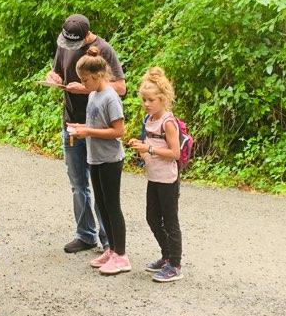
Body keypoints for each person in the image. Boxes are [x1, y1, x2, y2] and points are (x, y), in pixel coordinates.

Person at [45, 14, 126, 254]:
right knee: (78, 183)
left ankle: (108, 239)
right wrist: (54, 78)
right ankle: (85, 234)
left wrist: (85, 88)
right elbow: (57, 71)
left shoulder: (103, 49)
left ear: (86, 36)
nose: (69, 46)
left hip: (97, 127)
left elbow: (121, 87)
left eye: (75, 43)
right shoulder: (64, 45)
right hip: (71, 123)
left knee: (100, 186)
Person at [66, 51, 129, 276]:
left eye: (85, 80)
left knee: (112, 206)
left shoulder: (111, 97)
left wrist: (88, 131)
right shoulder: (93, 95)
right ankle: (111, 249)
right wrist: (80, 127)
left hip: (111, 159)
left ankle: (121, 255)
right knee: (101, 205)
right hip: (95, 157)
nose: (83, 84)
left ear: (99, 74)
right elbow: (95, 122)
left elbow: (118, 131)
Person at [127, 67, 183, 283]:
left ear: (163, 99)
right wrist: (141, 146)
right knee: (151, 217)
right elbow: (150, 144)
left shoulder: (168, 122)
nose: (146, 104)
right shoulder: (148, 120)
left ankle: (175, 264)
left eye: (151, 100)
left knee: (170, 221)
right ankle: (166, 256)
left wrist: (149, 149)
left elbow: (175, 153)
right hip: (153, 176)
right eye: (144, 100)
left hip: (168, 179)